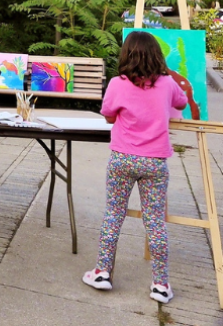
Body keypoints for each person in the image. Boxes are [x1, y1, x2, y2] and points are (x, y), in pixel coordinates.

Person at [83, 31, 188, 304]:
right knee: (154, 222)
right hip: (155, 162)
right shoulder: (166, 84)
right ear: (157, 56)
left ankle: (103, 272)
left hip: (122, 159)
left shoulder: (118, 84)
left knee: (113, 214)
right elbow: (182, 102)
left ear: (126, 55)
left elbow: (108, 114)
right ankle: (161, 285)